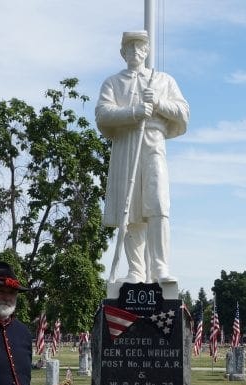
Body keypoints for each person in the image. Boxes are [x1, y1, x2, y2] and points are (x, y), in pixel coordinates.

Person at [96, 30, 189, 285]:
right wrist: (134, 112)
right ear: (123, 52)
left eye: (140, 48)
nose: (135, 52)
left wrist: (158, 102)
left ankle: (160, 267)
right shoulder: (113, 83)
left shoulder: (162, 80)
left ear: (146, 52)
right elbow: (103, 114)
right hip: (126, 144)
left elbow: (183, 112)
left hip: (153, 143)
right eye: (130, 48)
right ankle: (136, 270)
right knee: (131, 209)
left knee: (158, 205)